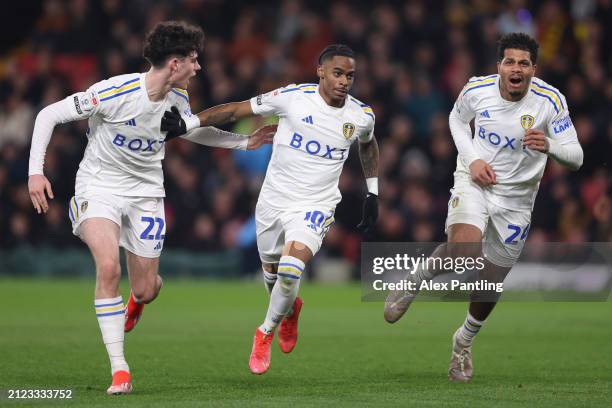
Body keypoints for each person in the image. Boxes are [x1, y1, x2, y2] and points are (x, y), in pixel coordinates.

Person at [27, 20, 274, 395]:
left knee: (146, 290)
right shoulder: (114, 92)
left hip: (146, 195)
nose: (198, 67)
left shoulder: (178, 101)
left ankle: (137, 300)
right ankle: (120, 369)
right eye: (193, 60)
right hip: (100, 187)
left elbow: (194, 130)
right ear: (174, 63)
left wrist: (243, 143)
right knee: (108, 267)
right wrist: (35, 173)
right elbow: (49, 114)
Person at [161, 44, 380, 375]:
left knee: (291, 271)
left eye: (350, 75)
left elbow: (368, 143)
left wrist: (373, 192)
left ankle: (263, 332)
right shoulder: (292, 98)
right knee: (274, 276)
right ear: (321, 71)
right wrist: (187, 125)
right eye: (337, 73)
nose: (344, 81)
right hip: (273, 202)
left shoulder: (361, 115)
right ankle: (290, 310)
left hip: (316, 204)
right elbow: (236, 111)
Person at [383, 33, 583, 382]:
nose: (516, 68)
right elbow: (457, 120)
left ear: (534, 69)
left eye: (523, 63)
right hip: (475, 181)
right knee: (464, 252)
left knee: (490, 283)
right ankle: (414, 280)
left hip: (518, 200)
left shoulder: (551, 101)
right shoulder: (477, 89)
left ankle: (463, 341)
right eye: (510, 62)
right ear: (499, 66)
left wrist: (551, 145)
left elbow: (577, 157)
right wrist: (473, 159)